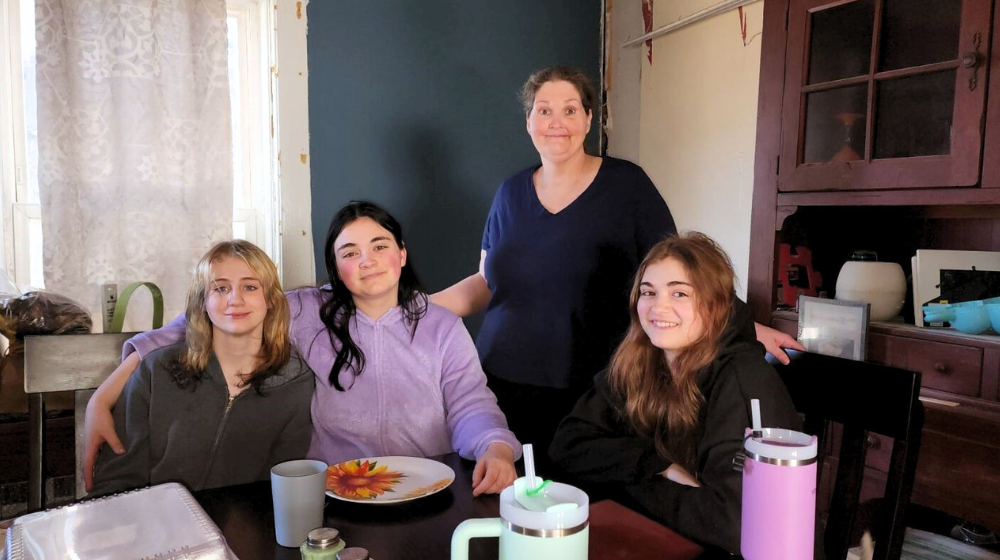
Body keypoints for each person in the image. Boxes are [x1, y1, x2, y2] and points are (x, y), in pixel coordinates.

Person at [431, 65, 803, 453]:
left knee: (579, 504)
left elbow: (679, 274)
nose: (557, 122)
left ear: (589, 119)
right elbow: (487, 282)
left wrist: (747, 327)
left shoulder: (628, 186)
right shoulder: (509, 193)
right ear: (529, 122)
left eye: (570, 110)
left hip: (594, 387)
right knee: (503, 499)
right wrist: (412, 309)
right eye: (544, 110)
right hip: (500, 382)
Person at [85, 202, 520, 497]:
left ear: (402, 255)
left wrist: (494, 445)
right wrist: (104, 395)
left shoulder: (441, 327)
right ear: (336, 269)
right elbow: (204, 319)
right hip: (332, 494)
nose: (366, 260)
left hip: (426, 486)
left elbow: (469, 402)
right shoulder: (305, 310)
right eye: (350, 252)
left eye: (379, 246)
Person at [548, 233, 801, 554]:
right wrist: (656, 464)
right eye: (648, 292)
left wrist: (626, 477)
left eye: (679, 293)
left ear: (715, 305)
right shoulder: (638, 361)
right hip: (664, 541)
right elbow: (568, 444)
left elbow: (736, 524)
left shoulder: (741, 378)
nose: (658, 307)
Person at [90, 240, 314, 496]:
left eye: (250, 287)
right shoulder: (156, 371)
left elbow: (281, 488)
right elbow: (116, 479)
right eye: (220, 288)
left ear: (272, 299)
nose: (235, 299)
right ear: (202, 301)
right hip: (155, 524)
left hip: (243, 526)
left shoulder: (295, 382)